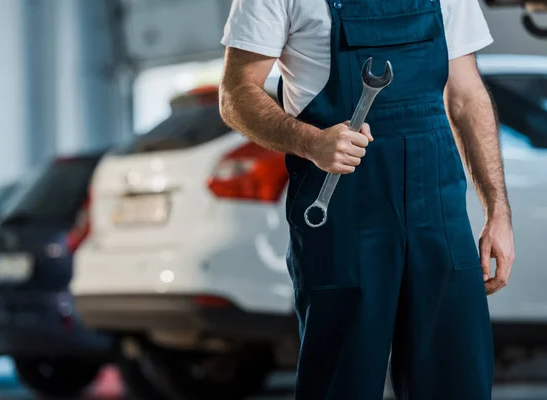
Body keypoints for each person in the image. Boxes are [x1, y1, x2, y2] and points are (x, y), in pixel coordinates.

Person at [219, 0, 516, 398]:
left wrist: (498, 211)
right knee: (343, 382)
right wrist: (311, 142)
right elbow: (236, 94)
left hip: (439, 214)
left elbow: (466, 95)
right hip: (343, 211)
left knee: (457, 379)